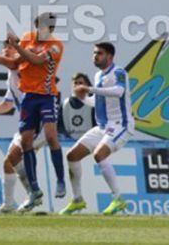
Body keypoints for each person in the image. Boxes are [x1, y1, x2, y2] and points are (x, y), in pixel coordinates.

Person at [0, 40, 55, 214]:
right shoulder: (11, 76)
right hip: (28, 123)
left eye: (11, 47)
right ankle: (9, 204)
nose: (7, 50)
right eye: (5, 47)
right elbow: (8, 104)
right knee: (8, 163)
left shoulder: (23, 66)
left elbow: (7, 61)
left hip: (40, 122)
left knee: (13, 156)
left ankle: (33, 192)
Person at [59, 42, 133, 216]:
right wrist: (83, 98)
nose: (95, 56)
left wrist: (90, 88)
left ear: (110, 56)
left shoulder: (119, 72)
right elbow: (96, 101)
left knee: (99, 154)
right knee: (72, 155)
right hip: (102, 127)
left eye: (99, 53)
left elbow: (119, 91)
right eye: (94, 53)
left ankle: (118, 199)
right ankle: (77, 199)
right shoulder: (99, 74)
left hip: (120, 125)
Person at [6, 12, 65, 212]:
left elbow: (37, 60)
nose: (43, 31)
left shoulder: (56, 45)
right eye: (40, 26)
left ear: (52, 29)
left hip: (47, 96)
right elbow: (16, 61)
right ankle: (34, 188)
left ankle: (60, 180)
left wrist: (17, 47)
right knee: (25, 142)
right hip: (29, 97)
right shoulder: (27, 38)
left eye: (47, 27)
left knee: (51, 136)